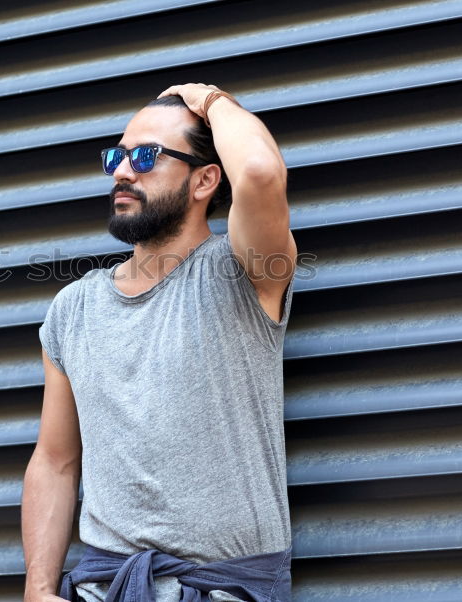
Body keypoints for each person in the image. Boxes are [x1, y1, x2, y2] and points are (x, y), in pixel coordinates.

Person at [21, 82, 297, 602]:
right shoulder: (74, 308)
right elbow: (55, 459)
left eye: (146, 156)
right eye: (117, 157)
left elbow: (259, 173)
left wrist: (215, 102)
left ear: (204, 180)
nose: (123, 172)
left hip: (222, 589)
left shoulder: (244, 271)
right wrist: (39, 588)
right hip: (103, 588)